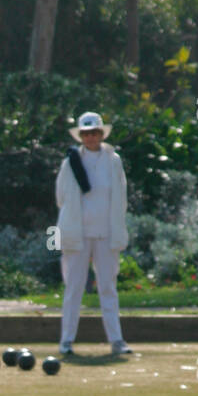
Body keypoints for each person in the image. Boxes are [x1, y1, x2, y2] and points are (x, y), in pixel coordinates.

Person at [55, 110, 133, 358]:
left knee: (108, 288)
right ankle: (66, 341)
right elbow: (61, 197)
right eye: (86, 134)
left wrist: (116, 229)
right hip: (77, 234)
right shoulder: (70, 162)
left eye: (94, 133)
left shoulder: (113, 160)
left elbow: (121, 198)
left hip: (106, 234)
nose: (90, 138)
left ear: (101, 134)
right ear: (80, 136)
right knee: (74, 288)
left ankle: (117, 340)